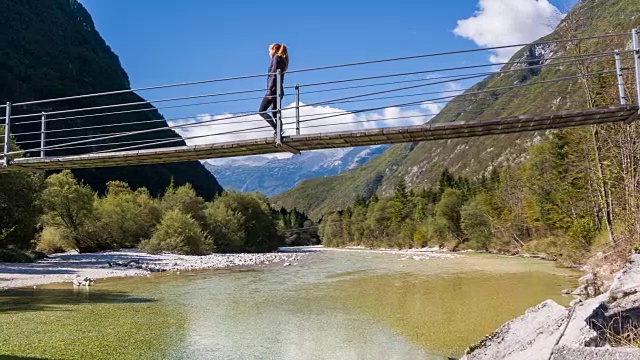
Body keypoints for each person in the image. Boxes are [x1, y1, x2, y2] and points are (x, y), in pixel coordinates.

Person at [258, 43, 289, 137]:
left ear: (274, 50)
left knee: (262, 111)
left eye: (269, 50)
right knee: (275, 111)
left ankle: (277, 128)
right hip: (279, 89)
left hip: (273, 89)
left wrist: (270, 90)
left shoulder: (276, 58)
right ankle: (279, 130)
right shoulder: (282, 60)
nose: (269, 53)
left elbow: (274, 74)